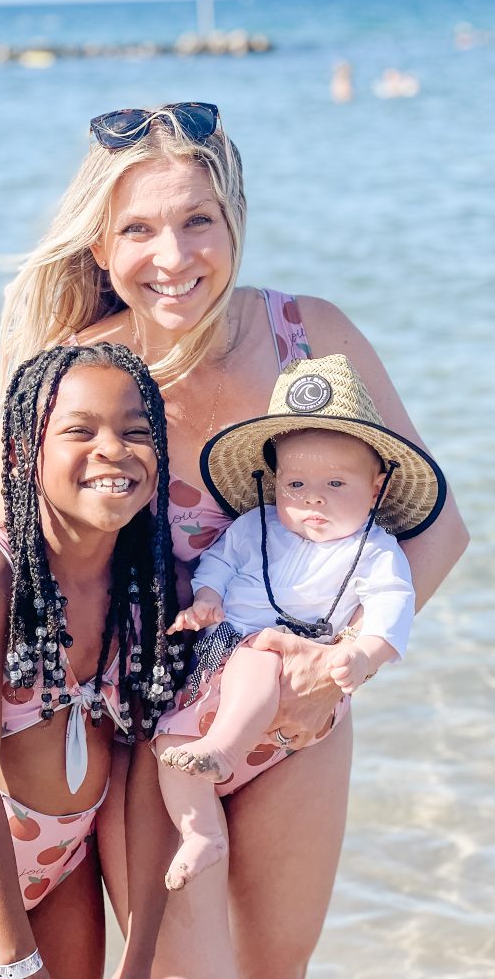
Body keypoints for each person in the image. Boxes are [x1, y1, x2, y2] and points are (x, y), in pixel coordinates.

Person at [0, 102, 468, 979]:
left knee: (275, 969)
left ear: (234, 219)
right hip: (148, 731)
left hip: (294, 708)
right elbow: (20, 546)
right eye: (139, 229)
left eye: (198, 220)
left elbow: (438, 527)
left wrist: (343, 663)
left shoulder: (306, 338)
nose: (173, 257)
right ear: (101, 246)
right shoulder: (77, 369)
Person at [0, 343, 180, 979]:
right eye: (80, 431)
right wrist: (18, 960)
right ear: (28, 453)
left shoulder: (148, 588)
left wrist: (140, 953)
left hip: (68, 859)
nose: (112, 449)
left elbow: (141, 775)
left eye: (136, 432)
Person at [155, 353, 443, 890]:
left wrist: (362, 654)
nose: (313, 497)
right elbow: (217, 562)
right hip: (215, 663)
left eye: (336, 484)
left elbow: (390, 607)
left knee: (258, 658)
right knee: (168, 745)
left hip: (287, 665)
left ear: (377, 487)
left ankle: (223, 749)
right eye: (297, 485)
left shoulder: (372, 550)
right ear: (275, 482)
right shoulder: (254, 526)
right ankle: (200, 834)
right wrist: (207, 598)